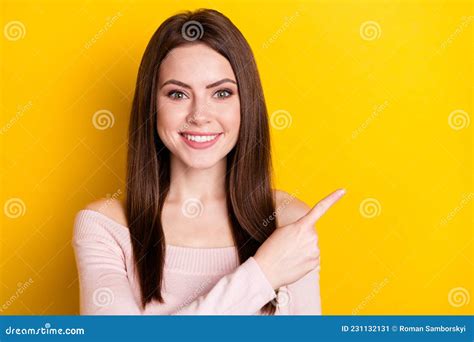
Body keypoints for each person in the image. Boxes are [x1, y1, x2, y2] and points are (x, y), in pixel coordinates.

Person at [73, 8, 345, 315]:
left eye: (222, 93)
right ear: (152, 106)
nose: (199, 115)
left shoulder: (287, 220)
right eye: (177, 94)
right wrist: (263, 275)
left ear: (247, 105)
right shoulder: (106, 227)